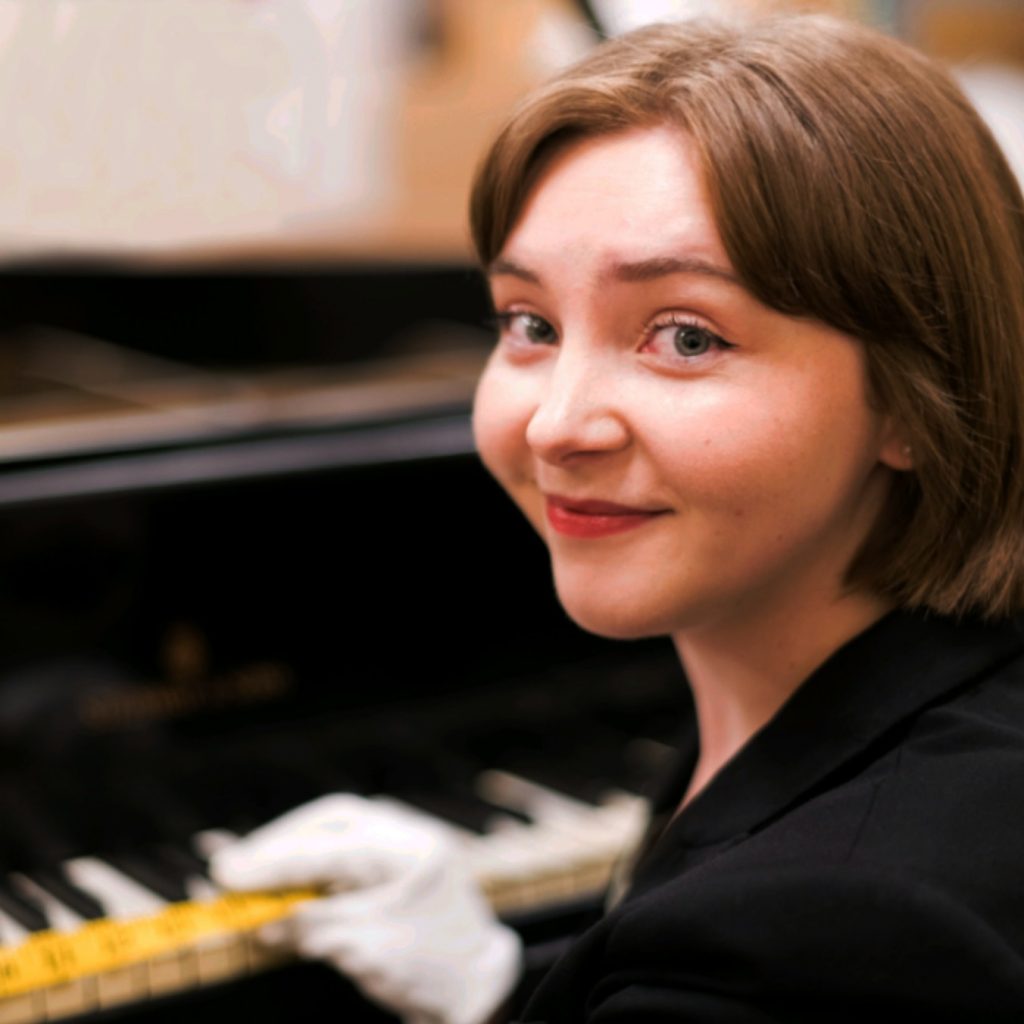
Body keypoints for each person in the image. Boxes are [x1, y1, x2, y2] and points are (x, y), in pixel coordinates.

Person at [210, 10, 1024, 1023]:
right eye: (529, 323)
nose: (555, 425)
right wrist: (500, 996)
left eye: (684, 336)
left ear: (916, 395)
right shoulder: (835, 685)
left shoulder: (827, 937)